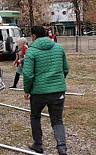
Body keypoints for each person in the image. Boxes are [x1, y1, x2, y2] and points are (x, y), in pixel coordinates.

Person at [23, 25, 69, 155]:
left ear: (33, 36)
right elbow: (66, 69)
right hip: (58, 91)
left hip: (38, 92)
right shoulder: (59, 48)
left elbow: (28, 74)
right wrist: (58, 81)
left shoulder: (31, 51)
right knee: (57, 120)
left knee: (35, 117)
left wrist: (27, 89)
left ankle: (38, 144)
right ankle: (61, 147)